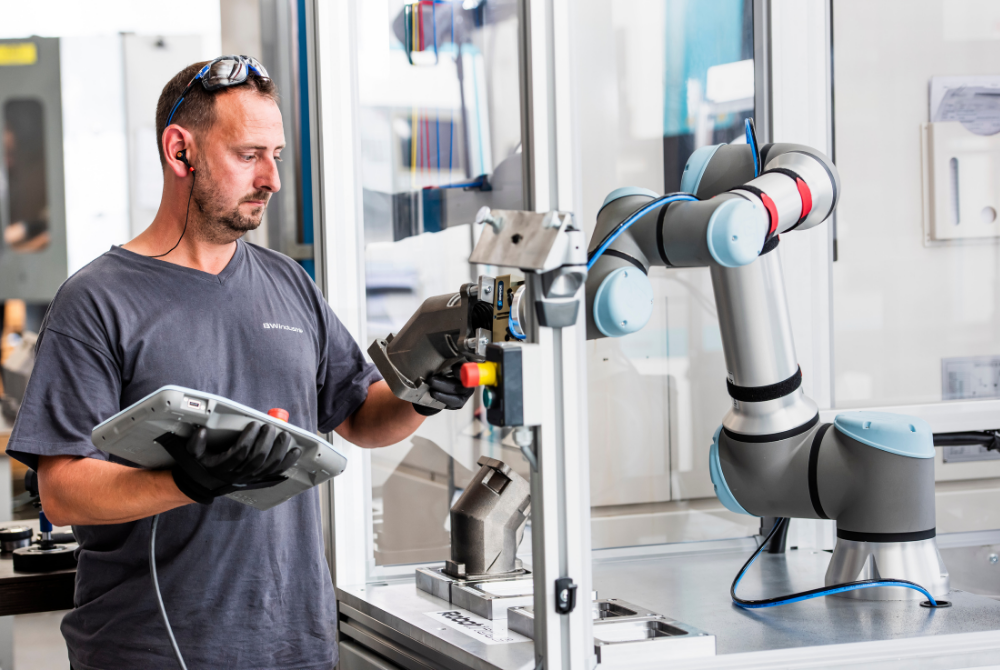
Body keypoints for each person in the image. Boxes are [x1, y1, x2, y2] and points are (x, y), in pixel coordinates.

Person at [6, 56, 471, 670]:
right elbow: (61, 490)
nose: (272, 178)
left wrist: (421, 392)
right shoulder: (97, 299)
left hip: (295, 643)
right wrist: (186, 482)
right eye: (250, 154)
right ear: (181, 152)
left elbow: (360, 417)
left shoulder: (286, 282)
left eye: (275, 155)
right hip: (153, 649)